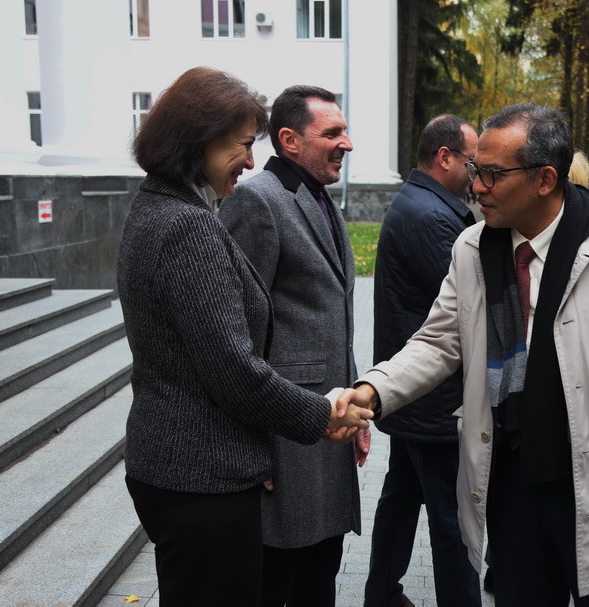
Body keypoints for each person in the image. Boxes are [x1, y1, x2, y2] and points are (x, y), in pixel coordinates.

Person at [340, 103, 589, 606]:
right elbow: (438, 341)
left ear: (545, 179)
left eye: (492, 174)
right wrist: (371, 391)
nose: (477, 186)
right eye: (474, 171)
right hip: (512, 482)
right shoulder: (473, 248)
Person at [116, 67, 371, 607]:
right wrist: (318, 415)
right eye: (239, 145)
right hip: (203, 474)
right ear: (200, 140)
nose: (251, 161)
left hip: (185, 467)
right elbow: (233, 365)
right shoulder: (187, 225)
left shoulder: (160, 208)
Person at [217, 85, 365, 607]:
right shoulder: (258, 201)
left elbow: (333, 317)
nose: (347, 143)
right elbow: (237, 339)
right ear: (290, 140)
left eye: (344, 130)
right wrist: (254, 448)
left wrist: (355, 413)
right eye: (333, 133)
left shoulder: (319, 196)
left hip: (326, 431)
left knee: (319, 572)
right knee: (278, 579)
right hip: (285, 440)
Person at [365, 114, 482, 607]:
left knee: (400, 498)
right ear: (446, 157)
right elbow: (466, 308)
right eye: (473, 162)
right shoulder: (431, 216)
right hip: (433, 399)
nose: (478, 174)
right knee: (452, 520)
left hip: (417, 399)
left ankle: (381, 594)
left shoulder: (425, 205)